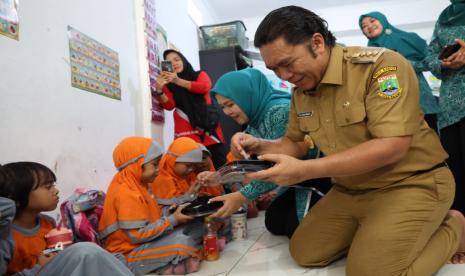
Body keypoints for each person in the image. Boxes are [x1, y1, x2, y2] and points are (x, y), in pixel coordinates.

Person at [226, 5, 465, 275]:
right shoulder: (302, 91)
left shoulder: (381, 66)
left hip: (409, 183)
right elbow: (296, 142)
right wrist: (259, 145)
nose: (284, 76)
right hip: (351, 189)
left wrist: (304, 170)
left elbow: (392, 146)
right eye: (274, 69)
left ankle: (453, 226)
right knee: (304, 251)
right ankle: (378, 230)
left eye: (287, 64)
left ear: (316, 43)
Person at [205, 68, 331, 238]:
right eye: (223, 107)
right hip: (296, 181)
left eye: (230, 104)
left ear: (246, 94)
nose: (227, 112)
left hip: (319, 177)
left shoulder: (279, 112)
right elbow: (246, 163)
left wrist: (242, 196)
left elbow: (278, 165)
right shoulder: (255, 122)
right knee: (274, 221)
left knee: (296, 230)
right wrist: (219, 176)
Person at [0, 161, 132, 276]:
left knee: (114, 258)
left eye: (53, 185)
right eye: (48, 187)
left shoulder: (47, 223)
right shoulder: (5, 235)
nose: (56, 191)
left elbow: (56, 255)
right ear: (16, 197)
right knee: (86, 252)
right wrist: (39, 268)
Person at [98, 136, 203, 275]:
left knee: (197, 226)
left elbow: (153, 219)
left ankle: (168, 264)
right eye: (154, 165)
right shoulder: (126, 191)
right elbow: (138, 235)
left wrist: (174, 213)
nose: (158, 170)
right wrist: (173, 220)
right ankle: (158, 265)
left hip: (144, 244)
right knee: (182, 242)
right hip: (128, 253)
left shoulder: (140, 185)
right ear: (137, 164)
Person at [420, 0, 465, 218]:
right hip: (450, 106)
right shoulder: (445, 17)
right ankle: (460, 232)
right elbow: (429, 55)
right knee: (454, 169)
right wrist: (443, 64)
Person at [359, 11, 440, 132]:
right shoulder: (368, 53)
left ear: (383, 20)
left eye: (372, 21)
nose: (368, 26)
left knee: (430, 138)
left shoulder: (408, 38)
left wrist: (402, 63)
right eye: (364, 26)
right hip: (390, 103)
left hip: (419, 98)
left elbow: (431, 61)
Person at [155, 49, 227, 169]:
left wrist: (178, 81)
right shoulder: (169, 85)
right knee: (193, 170)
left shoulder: (199, 75)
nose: (174, 63)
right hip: (185, 130)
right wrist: (159, 90)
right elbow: (169, 106)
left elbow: (204, 87)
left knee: (221, 167)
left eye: (177, 59)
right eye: (170, 62)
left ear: (183, 60)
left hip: (209, 131)